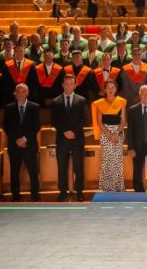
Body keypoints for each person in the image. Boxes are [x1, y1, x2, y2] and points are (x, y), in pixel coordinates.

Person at [2, 83, 41, 201]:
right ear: (15, 93)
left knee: (33, 172)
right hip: (14, 145)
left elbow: (36, 126)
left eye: (23, 91)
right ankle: (15, 196)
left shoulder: (35, 107)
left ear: (27, 93)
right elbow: (6, 126)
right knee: (14, 172)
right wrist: (17, 140)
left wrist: (24, 139)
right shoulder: (9, 108)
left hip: (30, 145)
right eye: (18, 91)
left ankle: (35, 195)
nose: (20, 94)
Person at [51, 74, 87, 202]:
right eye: (66, 83)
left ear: (75, 85)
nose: (68, 86)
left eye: (71, 83)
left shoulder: (81, 100)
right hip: (62, 139)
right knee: (62, 166)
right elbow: (54, 121)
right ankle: (62, 191)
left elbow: (84, 120)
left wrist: (73, 132)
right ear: (62, 85)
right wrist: (65, 131)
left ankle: (79, 191)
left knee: (79, 166)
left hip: (77, 138)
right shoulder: (55, 101)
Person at [92, 79, 127, 192]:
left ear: (116, 89)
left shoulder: (121, 102)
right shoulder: (100, 103)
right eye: (108, 87)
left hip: (118, 132)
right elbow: (99, 122)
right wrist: (108, 134)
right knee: (107, 160)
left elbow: (123, 120)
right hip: (105, 133)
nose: (110, 89)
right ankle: (107, 188)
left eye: (113, 87)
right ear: (105, 90)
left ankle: (118, 187)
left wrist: (116, 133)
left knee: (117, 161)